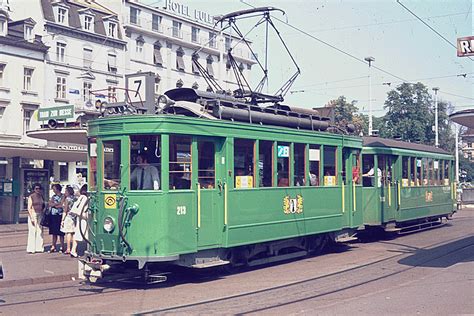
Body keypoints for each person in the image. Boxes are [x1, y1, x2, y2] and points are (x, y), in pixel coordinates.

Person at [70, 184, 89, 258]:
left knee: (78, 233)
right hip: (83, 218)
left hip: (80, 217)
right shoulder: (84, 198)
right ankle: (76, 250)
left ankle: (73, 250)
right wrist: (85, 216)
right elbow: (81, 209)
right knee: (83, 233)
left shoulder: (81, 197)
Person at [26, 184, 45, 254]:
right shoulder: (31, 196)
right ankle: (31, 248)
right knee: (32, 231)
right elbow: (29, 207)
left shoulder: (41, 196)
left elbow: (43, 205)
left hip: (40, 214)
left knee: (40, 231)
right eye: (36, 188)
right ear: (34, 189)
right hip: (33, 214)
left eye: (39, 188)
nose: (38, 190)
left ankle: (39, 247)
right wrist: (31, 217)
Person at [48, 183, 65, 253]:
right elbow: (50, 204)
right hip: (53, 215)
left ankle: (62, 246)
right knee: (54, 232)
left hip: (60, 215)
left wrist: (54, 205)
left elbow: (61, 204)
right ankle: (53, 246)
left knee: (61, 232)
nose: (53, 190)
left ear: (58, 189)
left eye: (54, 189)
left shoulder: (63, 196)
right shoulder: (53, 196)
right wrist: (56, 205)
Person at [60, 186, 77, 255]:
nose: (64, 193)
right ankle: (74, 248)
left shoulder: (67, 199)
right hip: (75, 217)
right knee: (74, 233)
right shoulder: (75, 198)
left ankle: (68, 248)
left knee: (68, 233)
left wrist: (62, 220)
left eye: (66, 191)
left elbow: (65, 210)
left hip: (69, 216)